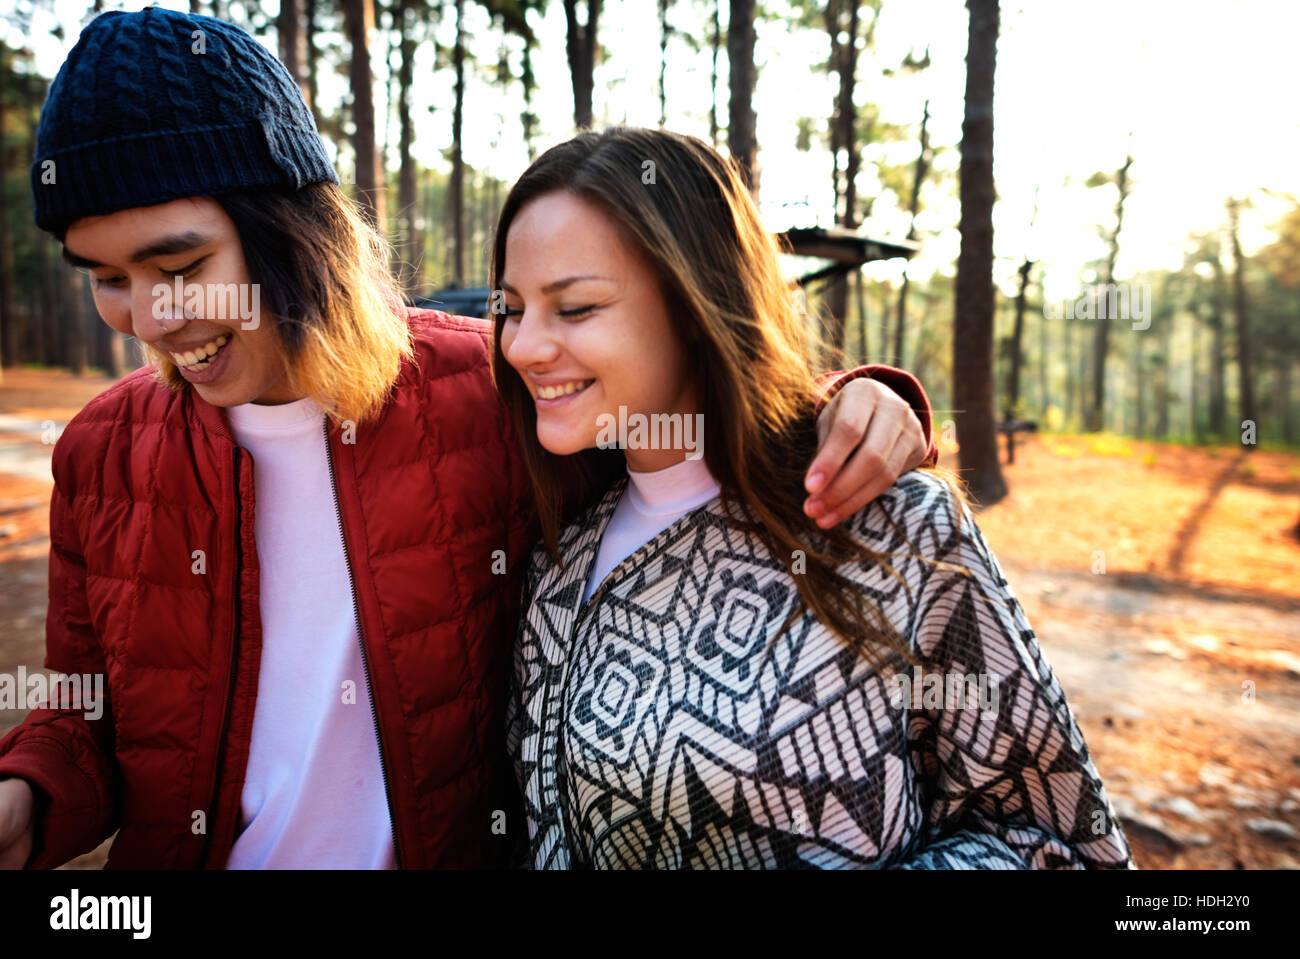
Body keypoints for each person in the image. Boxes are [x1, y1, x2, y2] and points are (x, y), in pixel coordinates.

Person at [0, 8, 937, 869]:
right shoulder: (98, 453)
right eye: (106, 276)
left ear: (291, 227)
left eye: (180, 264)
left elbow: (678, 403)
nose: (152, 317)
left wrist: (854, 400)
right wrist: (27, 795)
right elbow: (85, 720)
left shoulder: (486, 392)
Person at [496, 127, 1135, 869]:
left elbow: (1057, 841)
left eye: (573, 309)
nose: (522, 345)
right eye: (509, 307)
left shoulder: (893, 532)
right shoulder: (555, 562)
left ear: (697, 307)